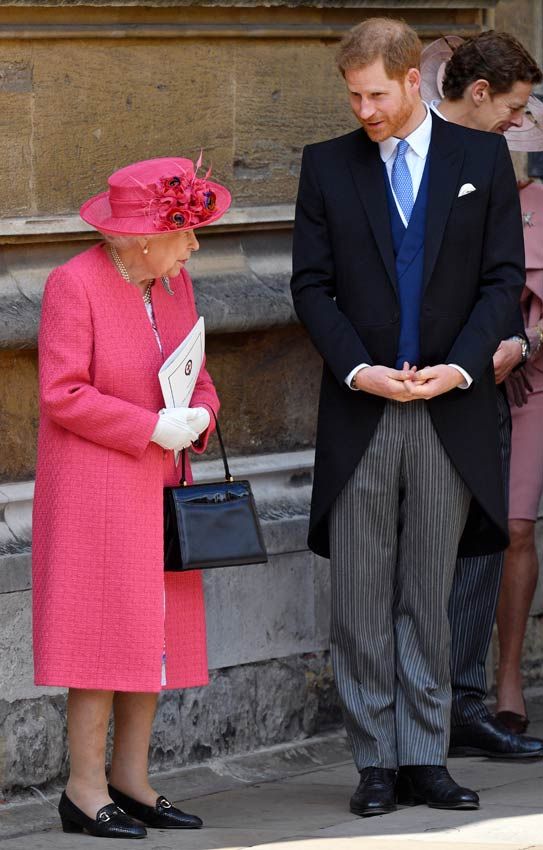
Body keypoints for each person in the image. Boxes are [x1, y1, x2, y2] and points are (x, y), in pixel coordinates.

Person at [291, 17, 525, 817]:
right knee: (359, 597)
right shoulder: (325, 168)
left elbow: (499, 280)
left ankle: (425, 756)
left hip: (447, 408)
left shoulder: (480, 159)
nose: (364, 110)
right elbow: (309, 288)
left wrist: (458, 368)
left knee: (427, 591)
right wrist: (360, 370)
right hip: (361, 409)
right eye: (352, 96)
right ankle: (374, 764)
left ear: (411, 80)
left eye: (376, 94)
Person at [32, 156, 231, 839]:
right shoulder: (73, 285)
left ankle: (131, 780)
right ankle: (83, 791)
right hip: (95, 489)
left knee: (153, 638)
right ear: (145, 235)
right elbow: (62, 393)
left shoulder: (174, 284)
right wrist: (147, 425)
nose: (195, 245)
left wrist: (200, 414)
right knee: (98, 638)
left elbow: (195, 371)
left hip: (162, 485)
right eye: (187, 231)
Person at [422, 32, 543, 759]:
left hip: (493, 378)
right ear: (476, 92)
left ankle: (467, 704)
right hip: (413, 382)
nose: (518, 123)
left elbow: (498, 273)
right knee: (421, 553)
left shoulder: (493, 166)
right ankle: (411, 716)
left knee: (482, 541)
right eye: (514, 106)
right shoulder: (400, 154)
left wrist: (511, 344)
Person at [497, 177, 543, 733]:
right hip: (475, 379)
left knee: (518, 529)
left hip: (533, 377)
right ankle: (487, 684)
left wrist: (525, 344)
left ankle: (510, 679)